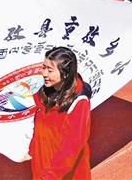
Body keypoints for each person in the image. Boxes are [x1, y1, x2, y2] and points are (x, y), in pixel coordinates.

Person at [29, 46, 92, 179]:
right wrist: (33, 149)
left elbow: (71, 147)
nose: (44, 73)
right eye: (43, 67)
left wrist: (50, 176)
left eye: (50, 70)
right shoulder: (44, 94)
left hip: (64, 174)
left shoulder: (78, 102)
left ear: (65, 73)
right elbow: (39, 128)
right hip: (42, 168)